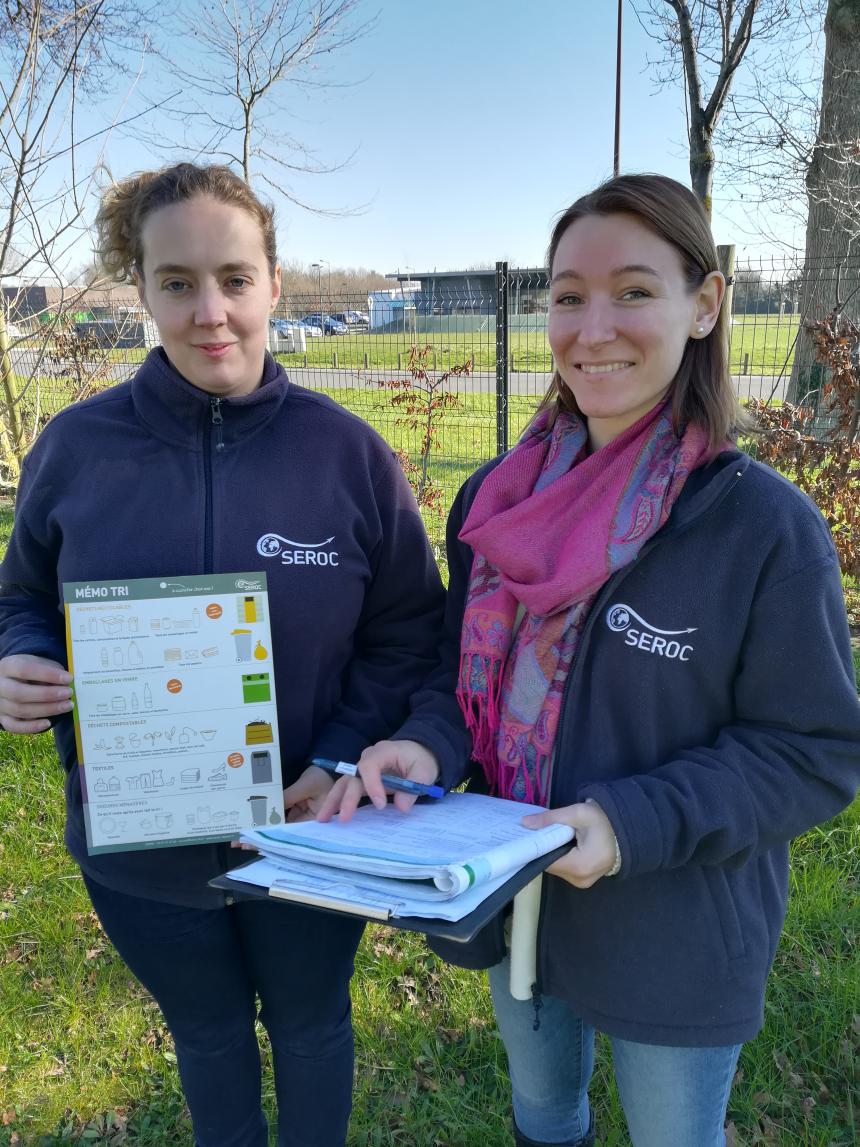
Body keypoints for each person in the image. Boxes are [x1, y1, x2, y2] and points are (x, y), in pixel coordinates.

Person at [319, 174, 860, 1147]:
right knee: (543, 1111)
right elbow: (459, 682)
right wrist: (426, 748)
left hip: (676, 921)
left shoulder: (760, 530)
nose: (591, 325)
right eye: (567, 294)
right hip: (509, 896)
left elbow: (812, 752)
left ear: (703, 305)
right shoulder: (495, 498)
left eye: (633, 291)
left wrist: (626, 822)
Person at [0, 162, 444, 1147]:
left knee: (310, 1022)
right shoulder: (76, 449)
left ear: (274, 283)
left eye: (235, 279)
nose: (210, 312)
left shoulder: (347, 455)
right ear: (143, 288)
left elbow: (410, 631)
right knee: (205, 1033)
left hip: (309, 833)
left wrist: (331, 757)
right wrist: (21, 657)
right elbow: (22, 593)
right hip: (141, 846)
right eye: (177, 281)